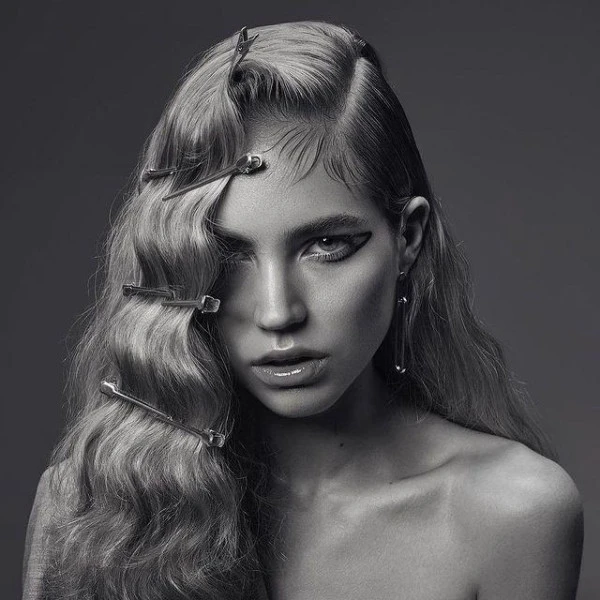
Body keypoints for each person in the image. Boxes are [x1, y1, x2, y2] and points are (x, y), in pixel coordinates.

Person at [22, 21, 584, 600]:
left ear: (408, 238)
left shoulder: (511, 516)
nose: (277, 312)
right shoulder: (89, 508)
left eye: (326, 246)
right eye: (227, 255)